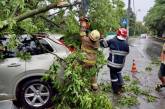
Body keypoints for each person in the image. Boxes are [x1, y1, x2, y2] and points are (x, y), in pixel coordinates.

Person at [100, 28, 129, 94]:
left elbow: (104, 45)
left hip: (113, 65)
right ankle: (121, 84)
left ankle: (116, 90)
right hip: (121, 65)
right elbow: (127, 52)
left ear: (118, 34)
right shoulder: (126, 44)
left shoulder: (113, 40)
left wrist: (101, 39)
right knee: (118, 72)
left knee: (113, 76)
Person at [80, 17, 100, 90]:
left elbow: (82, 33)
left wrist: (83, 23)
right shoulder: (97, 43)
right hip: (93, 62)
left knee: (82, 72)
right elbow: (93, 38)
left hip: (85, 61)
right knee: (92, 73)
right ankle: (94, 86)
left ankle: (82, 85)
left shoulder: (85, 40)